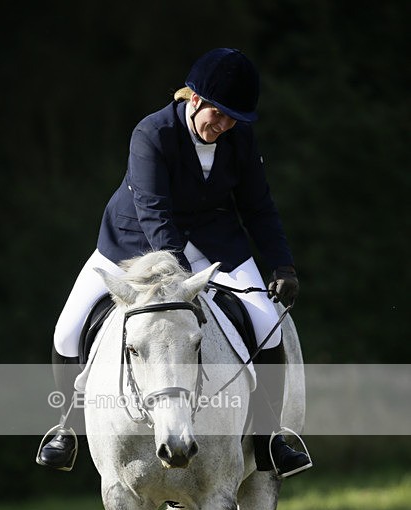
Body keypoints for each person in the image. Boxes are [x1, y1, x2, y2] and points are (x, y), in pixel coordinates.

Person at [37, 47, 311, 478]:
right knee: (67, 330)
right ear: (195, 99)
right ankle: (66, 429)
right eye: (218, 114)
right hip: (133, 243)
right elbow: (154, 212)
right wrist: (180, 284)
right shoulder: (152, 134)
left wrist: (282, 265)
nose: (223, 126)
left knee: (263, 326)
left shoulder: (239, 138)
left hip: (213, 241)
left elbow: (259, 207)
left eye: (233, 119)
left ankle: (269, 436)